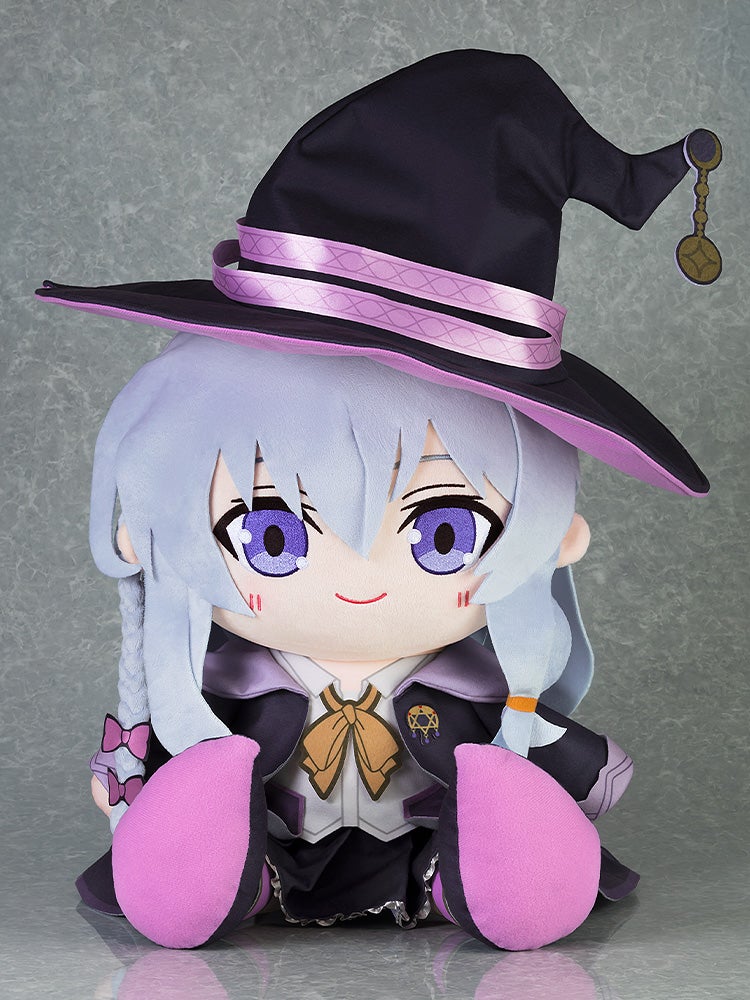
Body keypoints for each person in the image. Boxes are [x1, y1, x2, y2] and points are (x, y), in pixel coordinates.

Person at [37, 50, 718, 950]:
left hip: (429, 848)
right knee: (201, 809)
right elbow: (155, 741)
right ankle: (216, 872)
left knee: (503, 811)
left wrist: (550, 772)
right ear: (145, 529)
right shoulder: (225, 684)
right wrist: (140, 777)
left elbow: (575, 760)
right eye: (271, 536)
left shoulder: (482, 690)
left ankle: (488, 871)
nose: (359, 579)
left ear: (558, 536)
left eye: (444, 533)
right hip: (272, 848)